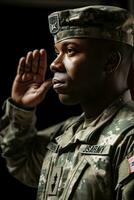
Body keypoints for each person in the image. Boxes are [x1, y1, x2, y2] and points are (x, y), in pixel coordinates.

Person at [0, 5, 134, 200]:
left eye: (70, 51)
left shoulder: (129, 137)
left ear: (110, 61)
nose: (55, 64)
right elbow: (22, 162)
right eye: (57, 52)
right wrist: (21, 108)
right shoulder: (68, 131)